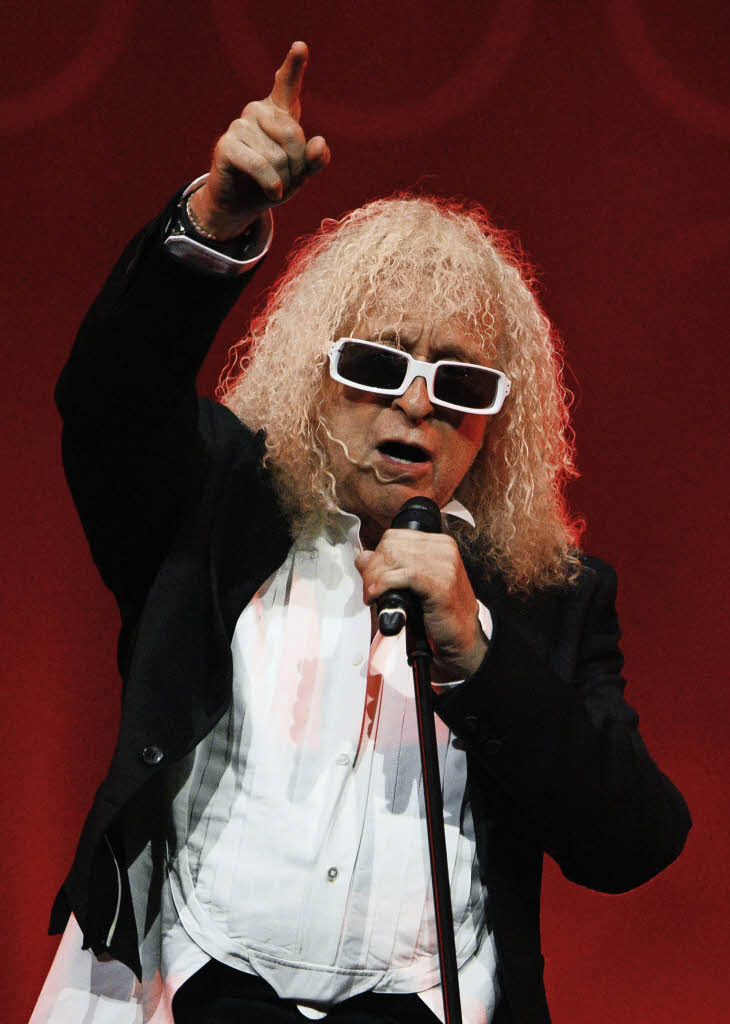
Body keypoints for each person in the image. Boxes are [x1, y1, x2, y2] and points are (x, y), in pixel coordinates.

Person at [31, 41, 690, 1024]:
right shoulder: (212, 504)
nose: (416, 405)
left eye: (460, 383)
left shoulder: (549, 596)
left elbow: (632, 840)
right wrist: (216, 219)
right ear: (315, 373)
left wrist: (476, 652)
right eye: (377, 366)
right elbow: (106, 402)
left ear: (497, 420)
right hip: (188, 990)